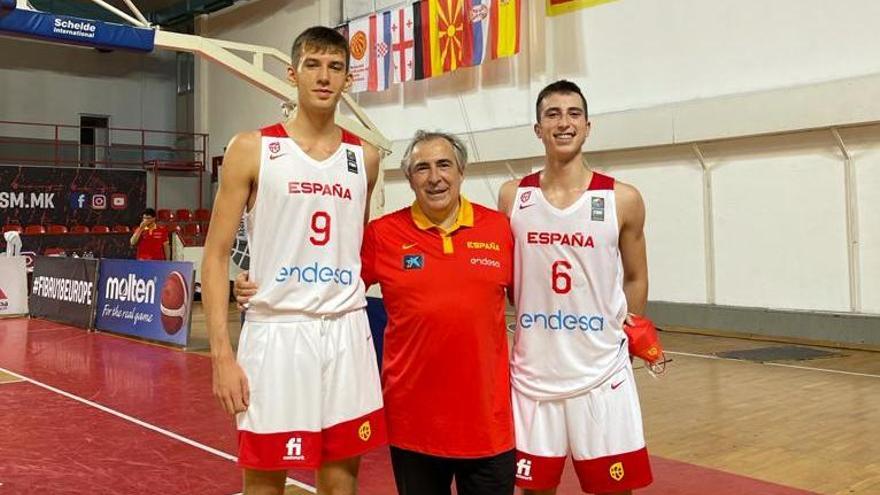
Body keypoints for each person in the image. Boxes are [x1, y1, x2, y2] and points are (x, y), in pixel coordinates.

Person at [235, 131, 516, 495]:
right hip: (415, 429)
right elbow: (327, 273)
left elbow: (535, 297)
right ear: (409, 178)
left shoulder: (499, 229)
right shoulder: (382, 235)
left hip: (488, 429)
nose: (434, 178)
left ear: (461, 171)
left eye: (444, 165)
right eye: (421, 168)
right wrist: (261, 281)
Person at [200, 26, 385, 495]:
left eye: (336, 67)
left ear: (347, 79)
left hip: (345, 329)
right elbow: (216, 255)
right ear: (292, 74)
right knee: (264, 482)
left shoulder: (364, 157)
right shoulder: (251, 148)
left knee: (342, 480)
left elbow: (352, 245)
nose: (324, 77)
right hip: (278, 331)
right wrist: (221, 354)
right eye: (313, 65)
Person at [497, 80, 653, 495]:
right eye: (552, 114)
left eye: (573, 114)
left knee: (612, 489)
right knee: (534, 490)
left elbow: (636, 276)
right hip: (534, 372)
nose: (563, 123)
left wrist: (629, 336)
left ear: (587, 126)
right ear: (537, 128)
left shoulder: (623, 198)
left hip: (601, 372)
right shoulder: (513, 196)